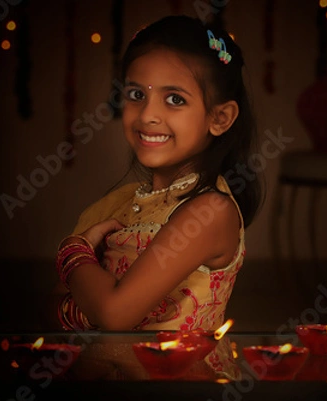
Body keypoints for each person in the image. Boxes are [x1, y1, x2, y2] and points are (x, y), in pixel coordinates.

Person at [53, 15, 263, 380]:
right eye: (136, 95)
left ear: (221, 117)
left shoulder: (208, 211)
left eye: (175, 99)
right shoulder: (115, 203)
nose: (148, 114)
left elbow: (115, 316)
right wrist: (87, 303)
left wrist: (73, 251)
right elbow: (55, 305)